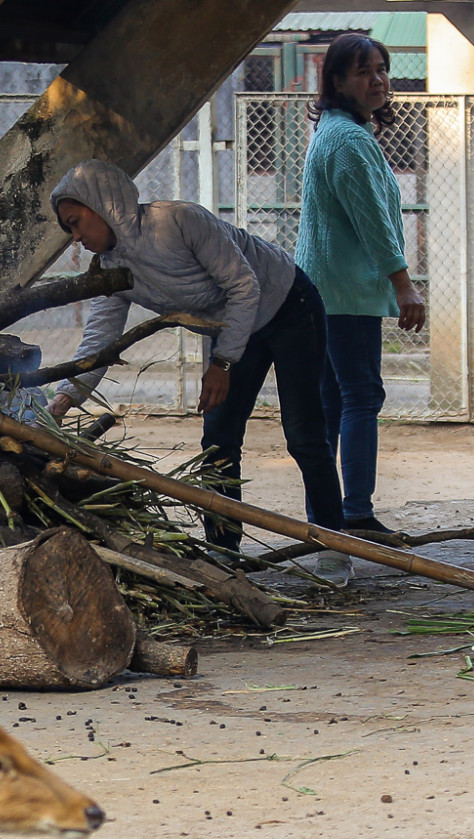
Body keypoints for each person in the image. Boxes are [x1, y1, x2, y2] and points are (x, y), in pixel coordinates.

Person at [45, 160, 347, 578]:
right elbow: (99, 340)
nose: (76, 237)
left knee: (304, 432)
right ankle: (225, 551)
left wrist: (222, 362)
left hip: (287, 305)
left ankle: (334, 545)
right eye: (70, 229)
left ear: (103, 204)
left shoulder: (177, 221)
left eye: (77, 223)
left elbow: (244, 286)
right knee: (218, 438)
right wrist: (61, 402)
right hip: (229, 326)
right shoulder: (113, 269)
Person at [294, 31, 427, 551]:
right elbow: (373, 221)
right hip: (344, 294)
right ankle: (356, 513)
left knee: (331, 403)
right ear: (337, 81)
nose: (377, 80)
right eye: (363, 72)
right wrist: (404, 286)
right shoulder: (348, 140)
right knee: (361, 397)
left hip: (323, 290)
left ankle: (326, 516)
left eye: (381, 69)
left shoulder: (337, 131)